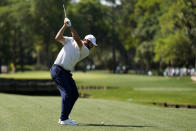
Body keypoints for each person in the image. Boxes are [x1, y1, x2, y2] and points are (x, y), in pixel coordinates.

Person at [50, 18, 97, 126]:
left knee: (74, 94)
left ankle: (64, 117)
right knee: (67, 93)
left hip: (65, 73)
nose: (92, 47)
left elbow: (77, 39)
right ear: (87, 41)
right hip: (57, 70)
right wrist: (64, 26)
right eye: (92, 44)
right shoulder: (71, 40)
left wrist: (70, 26)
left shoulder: (85, 51)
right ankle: (64, 119)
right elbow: (57, 38)